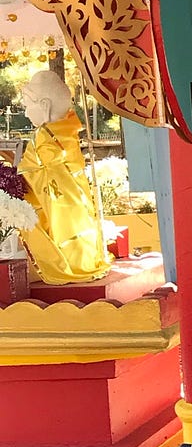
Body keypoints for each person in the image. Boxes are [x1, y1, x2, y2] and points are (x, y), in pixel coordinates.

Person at [18, 68, 111, 285]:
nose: (25, 113)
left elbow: (36, 174)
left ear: (44, 105)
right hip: (74, 202)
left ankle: (64, 264)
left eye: (27, 106)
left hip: (58, 204)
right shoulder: (65, 130)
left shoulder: (46, 137)